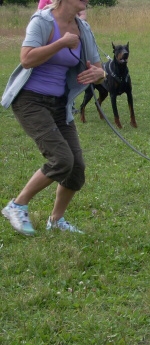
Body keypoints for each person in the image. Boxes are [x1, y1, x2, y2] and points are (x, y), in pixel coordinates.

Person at [1, 0, 105, 235]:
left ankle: (56, 220)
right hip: (30, 101)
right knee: (61, 159)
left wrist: (100, 73)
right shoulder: (42, 21)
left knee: (76, 168)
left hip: (60, 104)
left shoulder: (83, 29)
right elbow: (26, 59)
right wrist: (60, 43)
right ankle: (17, 205)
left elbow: (97, 70)